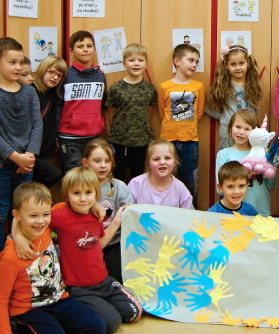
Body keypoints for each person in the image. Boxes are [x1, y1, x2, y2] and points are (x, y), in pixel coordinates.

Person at [14, 167, 143, 333]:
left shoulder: (96, 214)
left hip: (104, 281)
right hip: (79, 288)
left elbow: (98, 244)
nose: (83, 199)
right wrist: (17, 236)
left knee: (134, 313)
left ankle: (99, 305)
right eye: (76, 193)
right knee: (112, 323)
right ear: (67, 195)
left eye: (88, 193)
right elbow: (25, 215)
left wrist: (116, 220)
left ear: (96, 194)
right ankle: (85, 309)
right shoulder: (60, 216)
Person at [0, 182, 106, 334]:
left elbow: (71, 204)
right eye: (33, 216)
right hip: (29, 310)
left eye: (46, 214)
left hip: (60, 300)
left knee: (98, 327)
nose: (41, 221)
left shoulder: (46, 228)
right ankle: (17, 327)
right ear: (17, 216)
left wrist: (95, 205)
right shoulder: (10, 257)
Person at [0, 37, 42, 280]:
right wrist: (16, 158)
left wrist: (30, 156)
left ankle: (23, 254)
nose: (18, 67)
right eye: (12, 62)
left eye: (20, 62)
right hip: (0, 164)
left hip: (26, 162)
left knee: (25, 211)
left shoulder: (29, 92)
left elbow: (37, 124)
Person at [157, 44, 204, 205]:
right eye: (191, 60)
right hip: (168, 141)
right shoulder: (164, 86)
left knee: (190, 180)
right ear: (177, 61)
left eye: (196, 62)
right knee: (167, 179)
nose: (194, 65)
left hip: (191, 141)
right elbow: (162, 113)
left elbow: (199, 113)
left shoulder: (198, 86)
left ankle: (190, 212)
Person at [81, 138, 133, 284]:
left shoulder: (119, 186)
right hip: (87, 244)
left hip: (114, 243)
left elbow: (130, 214)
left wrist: (129, 209)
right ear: (85, 163)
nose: (103, 165)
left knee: (116, 278)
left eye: (107, 161)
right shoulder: (79, 187)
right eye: (97, 161)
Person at [106, 43, 157, 183]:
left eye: (140, 60)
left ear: (146, 64)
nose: (136, 64)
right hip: (118, 141)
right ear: (124, 64)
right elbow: (111, 115)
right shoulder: (115, 88)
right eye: (131, 60)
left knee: (140, 179)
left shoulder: (150, 89)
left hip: (142, 142)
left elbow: (149, 114)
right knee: (116, 178)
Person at [57, 31, 107, 173]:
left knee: (93, 177)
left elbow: (103, 104)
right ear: (71, 51)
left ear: (94, 49)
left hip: (93, 137)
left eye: (89, 46)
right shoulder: (65, 75)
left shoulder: (100, 75)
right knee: (74, 178)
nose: (85, 50)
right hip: (69, 138)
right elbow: (57, 107)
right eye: (80, 46)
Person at [214, 109, 276, 216]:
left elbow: (270, 186)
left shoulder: (262, 154)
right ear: (230, 128)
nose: (241, 132)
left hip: (261, 211)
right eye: (238, 127)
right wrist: (245, 176)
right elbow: (219, 190)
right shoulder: (224, 154)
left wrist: (270, 162)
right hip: (235, 213)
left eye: (247, 129)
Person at [206, 45, 262, 150]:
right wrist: (224, 117)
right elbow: (209, 107)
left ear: (248, 63)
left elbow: (255, 109)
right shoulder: (223, 85)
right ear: (226, 66)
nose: (238, 68)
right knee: (227, 156)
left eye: (241, 63)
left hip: (248, 129)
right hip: (228, 130)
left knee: (247, 156)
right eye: (233, 64)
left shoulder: (253, 85)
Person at [32, 55, 67, 189]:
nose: (55, 77)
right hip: (27, 152)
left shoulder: (54, 93)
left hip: (44, 150)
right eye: (51, 72)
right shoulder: (31, 91)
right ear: (43, 69)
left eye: (59, 75)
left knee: (36, 190)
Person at [127, 140, 194, 209]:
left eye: (167, 158)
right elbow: (127, 212)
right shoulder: (136, 184)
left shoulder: (180, 189)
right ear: (148, 164)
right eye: (156, 159)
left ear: (174, 162)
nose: (162, 162)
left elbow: (189, 214)